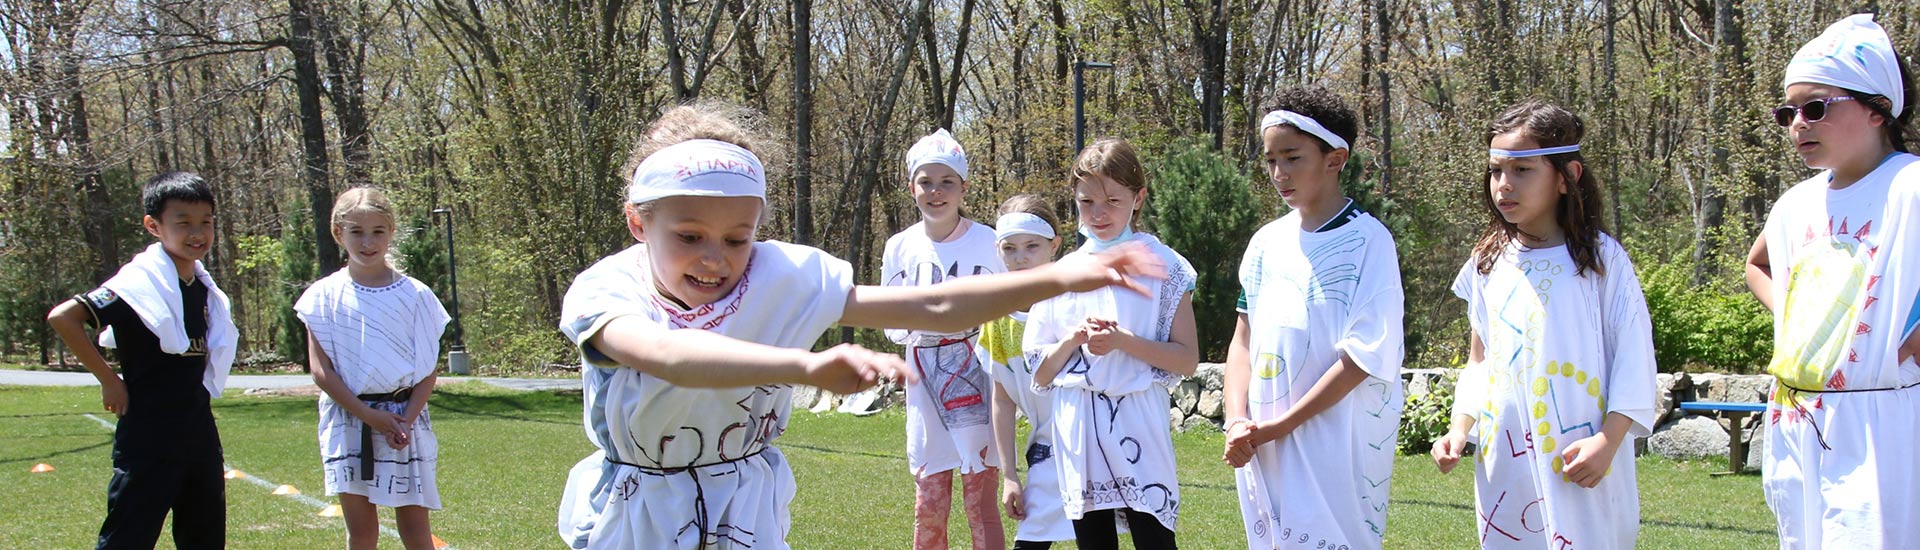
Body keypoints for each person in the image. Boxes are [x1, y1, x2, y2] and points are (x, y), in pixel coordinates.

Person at [554, 102, 1167, 550]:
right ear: (639, 223)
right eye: (689, 237)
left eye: (737, 238)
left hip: (744, 509)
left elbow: (933, 307)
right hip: (640, 519)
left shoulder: (782, 274)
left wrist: (1059, 279)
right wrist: (806, 367)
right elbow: (667, 354)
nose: (715, 258)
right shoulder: (610, 289)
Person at [1430, 100, 1657, 550]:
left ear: (1566, 176)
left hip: (1581, 458)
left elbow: (1635, 358)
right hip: (1505, 465)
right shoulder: (1486, 262)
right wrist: (1459, 428)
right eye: (1496, 171)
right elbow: (1480, 360)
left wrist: (1608, 443)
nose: (1503, 185)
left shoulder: (1601, 261)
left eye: (1522, 170)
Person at [1743, 13, 1920, 548]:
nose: (1799, 122)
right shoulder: (1796, 204)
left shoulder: (1910, 186)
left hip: (1881, 420)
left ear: (1877, 110)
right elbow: (1759, 264)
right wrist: (1799, 317)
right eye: (1788, 112)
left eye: (1816, 107)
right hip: (1797, 414)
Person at [1222, 86, 1406, 550]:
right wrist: (1237, 421)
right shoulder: (1265, 242)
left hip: (1334, 448)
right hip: (1262, 446)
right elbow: (1243, 340)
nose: (1279, 173)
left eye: (1292, 157)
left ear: (1335, 158)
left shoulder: (1369, 242)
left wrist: (1281, 426)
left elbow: (1363, 358)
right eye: (1270, 161)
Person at [46, 171, 236, 549]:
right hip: (148, 433)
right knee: (129, 536)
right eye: (183, 223)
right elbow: (63, 317)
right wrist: (108, 379)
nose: (197, 233)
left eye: (206, 222)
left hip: (198, 429)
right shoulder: (136, 286)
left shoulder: (203, 286)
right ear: (154, 225)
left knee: (204, 536)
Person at [1029, 138, 1199, 549]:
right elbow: (1040, 369)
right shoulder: (1062, 274)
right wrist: (1074, 339)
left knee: (1154, 536)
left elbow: (1187, 359)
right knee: (1094, 541)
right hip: (1079, 423)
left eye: (1112, 200)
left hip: (1138, 419)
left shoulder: (1164, 266)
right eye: (1087, 202)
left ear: (1138, 198)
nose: (1099, 213)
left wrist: (1123, 341)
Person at [296, 186, 451, 549]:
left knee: (416, 530)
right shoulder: (323, 296)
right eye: (357, 232)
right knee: (363, 533)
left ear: (391, 232)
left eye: (377, 231)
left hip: (404, 420)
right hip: (350, 418)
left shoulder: (415, 295)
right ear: (339, 234)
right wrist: (367, 415)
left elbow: (428, 369)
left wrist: (405, 419)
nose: (368, 242)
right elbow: (321, 371)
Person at [980, 195, 1074, 549]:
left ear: (1054, 245)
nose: (1020, 258)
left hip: (1094, 451)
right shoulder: (996, 319)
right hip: (1046, 455)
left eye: (1032, 246)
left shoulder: (1072, 302)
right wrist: (1009, 476)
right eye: (1010, 248)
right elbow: (1002, 399)